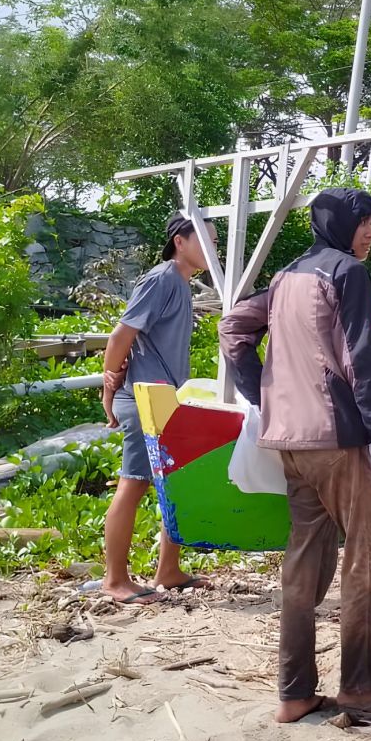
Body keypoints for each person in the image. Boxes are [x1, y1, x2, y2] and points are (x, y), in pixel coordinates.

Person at [218, 188, 371, 725]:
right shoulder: (345, 272)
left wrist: (266, 397)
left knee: (303, 567)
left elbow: (232, 327)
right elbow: (364, 364)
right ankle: (358, 687)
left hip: (289, 443)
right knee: (366, 561)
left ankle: (295, 693)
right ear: (340, 224)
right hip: (335, 441)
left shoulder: (287, 276)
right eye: (362, 221)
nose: (369, 231)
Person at [100, 216, 215, 605]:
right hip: (141, 397)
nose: (213, 247)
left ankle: (168, 570)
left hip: (165, 398)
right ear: (179, 241)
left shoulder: (182, 283)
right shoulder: (162, 278)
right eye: (205, 239)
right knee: (133, 484)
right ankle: (114, 580)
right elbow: (121, 335)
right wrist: (108, 384)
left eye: (216, 240)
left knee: (174, 481)